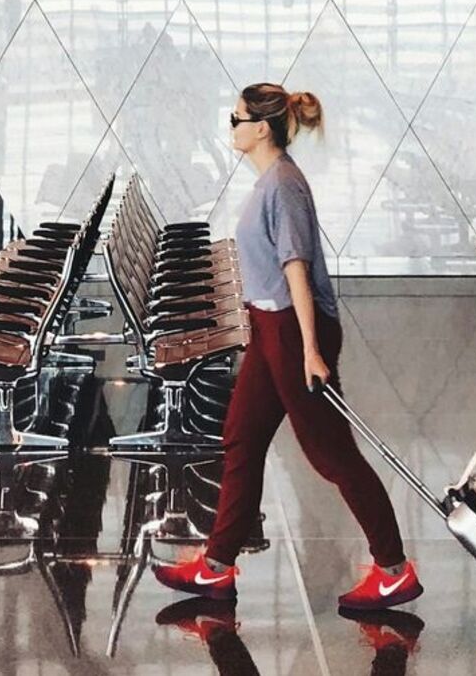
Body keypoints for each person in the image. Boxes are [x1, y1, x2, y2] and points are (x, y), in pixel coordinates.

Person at [155, 82, 421, 613]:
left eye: (236, 119)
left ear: (261, 128)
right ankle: (216, 567)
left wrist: (310, 351)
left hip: (293, 333)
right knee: (241, 437)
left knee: (331, 454)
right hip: (268, 328)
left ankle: (394, 570)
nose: (230, 128)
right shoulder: (268, 182)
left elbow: (295, 268)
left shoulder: (283, 186)